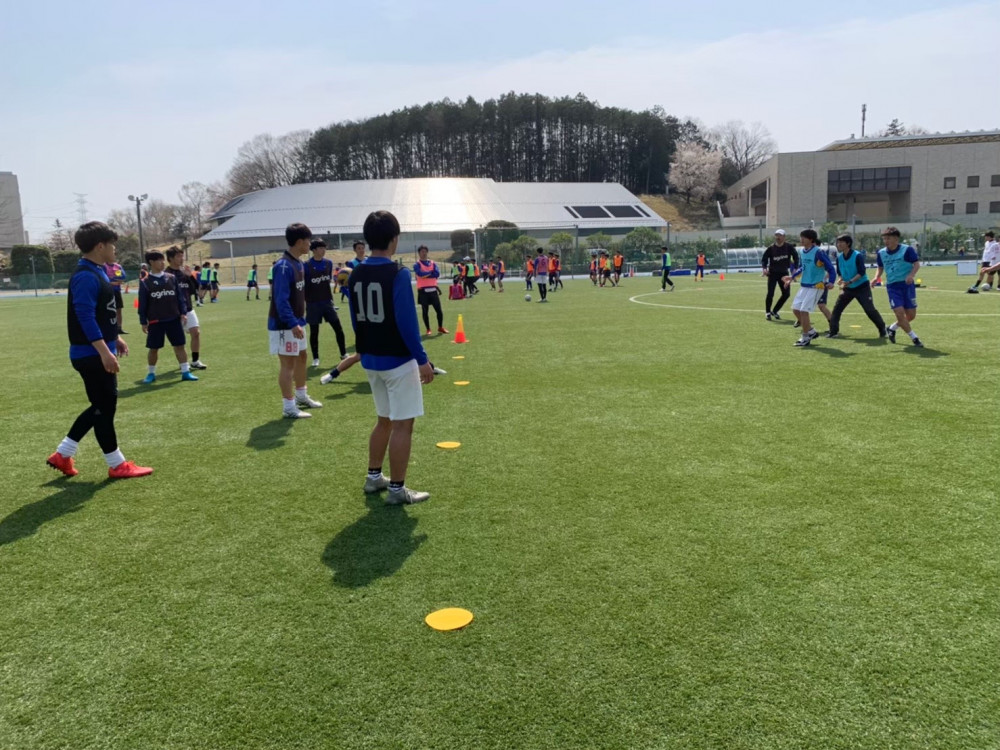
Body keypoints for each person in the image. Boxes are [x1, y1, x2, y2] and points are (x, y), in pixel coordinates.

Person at [46, 221, 152, 480]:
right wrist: (104, 351)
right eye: (112, 244)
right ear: (100, 246)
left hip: (95, 351)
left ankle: (63, 454)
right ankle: (117, 465)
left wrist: (115, 338)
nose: (115, 249)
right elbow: (85, 316)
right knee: (104, 408)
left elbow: (102, 313)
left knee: (101, 407)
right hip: (90, 354)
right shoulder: (85, 276)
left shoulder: (97, 271)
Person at [348, 210, 434, 505]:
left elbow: (355, 319)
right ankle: (397, 489)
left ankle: (374, 477)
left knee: (383, 420)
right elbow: (407, 322)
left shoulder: (355, 272)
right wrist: (422, 359)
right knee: (402, 425)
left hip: (371, 359)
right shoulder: (399, 273)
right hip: (397, 360)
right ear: (394, 239)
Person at [269, 223, 323, 418]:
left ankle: (301, 396)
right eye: (308, 241)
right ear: (300, 242)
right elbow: (280, 300)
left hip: (298, 322)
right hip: (284, 325)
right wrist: (292, 323)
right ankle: (288, 407)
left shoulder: (298, 263)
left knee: (302, 357)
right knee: (288, 364)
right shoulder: (283, 266)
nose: (310, 244)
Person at [138, 251, 197, 384]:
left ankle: (185, 372)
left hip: (173, 319)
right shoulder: (145, 282)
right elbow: (142, 303)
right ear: (151, 262)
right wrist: (143, 321)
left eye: (163, 260)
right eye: (159, 260)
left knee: (180, 346)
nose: (163, 263)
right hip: (155, 320)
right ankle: (151, 373)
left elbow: (180, 297)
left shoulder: (171, 278)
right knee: (154, 348)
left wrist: (183, 313)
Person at [825, 234, 886, 339]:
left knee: (869, 309)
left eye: (841, 242)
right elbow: (840, 273)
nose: (838, 244)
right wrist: (840, 279)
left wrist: (850, 281)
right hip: (848, 288)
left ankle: (882, 329)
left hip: (862, 287)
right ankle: (833, 332)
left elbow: (861, 272)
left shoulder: (857, 255)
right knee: (837, 309)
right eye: (837, 242)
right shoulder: (839, 258)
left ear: (848, 243)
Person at [873, 226, 923, 347]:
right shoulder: (881, 253)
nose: (886, 241)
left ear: (896, 239)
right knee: (899, 313)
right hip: (892, 287)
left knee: (910, 315)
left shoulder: (907, 250)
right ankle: (914, 338)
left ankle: (892, 328)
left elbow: (916, 264)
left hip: (907, 286)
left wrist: (911, 275)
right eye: (884, 239)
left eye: (888, 238)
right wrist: (876, 277)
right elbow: (880, 267)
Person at [785, 228, 836, 347]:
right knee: (796, 309)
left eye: (804, 237)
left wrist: (831, 282)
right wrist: (792, 277)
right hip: (805, 285)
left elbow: (830, 268)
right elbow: (803, 267)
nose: (801, 239)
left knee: (804, 311)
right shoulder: (802, 251)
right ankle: (811, 332)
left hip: (816, 286)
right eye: (801, 237)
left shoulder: (819, 252)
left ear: (811, 239)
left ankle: (805, 337)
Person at [304, 238, 347, 368]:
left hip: (327, 302)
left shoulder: (328, 263)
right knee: (314, 332)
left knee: (338, 328)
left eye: (324, 248)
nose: (324, 250)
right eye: (321, 248)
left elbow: (328, 281)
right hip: (312, 303)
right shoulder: (306, 265)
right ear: (314, 250)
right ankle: (316, 358)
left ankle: (343, 354)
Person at [166, 247, 207, 370]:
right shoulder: (166, 274)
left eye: (182, 256)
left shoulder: (184, 273)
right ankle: (182, 363)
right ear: (170, 258)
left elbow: (195, 290)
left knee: (196, 333)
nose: (182, 259)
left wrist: (190, 277)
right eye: (178, 256)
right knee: (178, 341)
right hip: (174, 312)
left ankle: (195, 361)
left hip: (188, 309)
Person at [761, 229, 798, 320]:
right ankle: (768, 312)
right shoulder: (771, 248)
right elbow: (764, 259)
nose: (778, 237)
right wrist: (764, 268)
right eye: (777, 235)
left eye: (780, 235)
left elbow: (796, 256)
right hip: (772, 273)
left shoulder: (788, 247)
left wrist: (795, 268)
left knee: (786, 294)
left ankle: (775, 310)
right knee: (770, 293)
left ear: (784, 237)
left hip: (784, 274)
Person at [414, 244, 448, 335]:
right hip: (423, 291)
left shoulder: (433, 263)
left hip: (433, 290)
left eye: (425, 251)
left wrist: (426, 274)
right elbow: (420, 274)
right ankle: (428, 329)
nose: (424, 253)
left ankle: (440, 327)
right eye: (422, 252)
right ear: (419, 253)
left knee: (439, 310)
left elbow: (437, 274)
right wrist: (430, 273)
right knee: (425, 311)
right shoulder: (417, 264)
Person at [104, 259, 128, 333]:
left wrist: (115, 279)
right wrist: (111, 282)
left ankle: (119, 328)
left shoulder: (117, 266)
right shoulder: (104, 266)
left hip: (117, 291)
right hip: (107, 291)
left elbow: (122, 277)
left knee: (118, 309)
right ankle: (108, 328)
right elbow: (103, 278)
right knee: (107, 310)